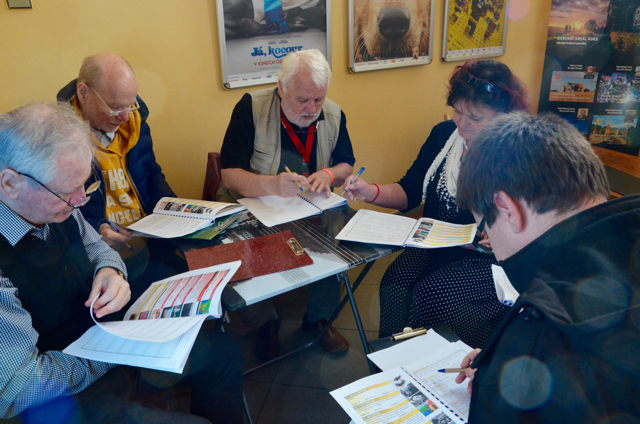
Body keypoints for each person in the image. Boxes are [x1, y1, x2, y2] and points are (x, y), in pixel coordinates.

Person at [0, 102, 243, 424]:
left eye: (86, 184)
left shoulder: (59, 206)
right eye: (67, 191)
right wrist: (110, 352)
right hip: (63, 396)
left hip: (106, 345)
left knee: (222, 355)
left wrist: (111, 271)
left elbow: (100, 250)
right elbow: (20, 387)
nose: (80, 201)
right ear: (10, 184)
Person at [454, 112, 639, 421]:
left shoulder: (536, 338)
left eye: (484, 227)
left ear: (507, 209)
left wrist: (501, 372)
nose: (491, 243)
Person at [343, 59, 529, 348]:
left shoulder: (520, 155)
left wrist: (495, 240)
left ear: (504, 116)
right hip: (436, 246)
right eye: (458, 111)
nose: (462, 123)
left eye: (475, 117)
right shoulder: (444, 135)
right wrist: (368, 192)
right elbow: (409, 191)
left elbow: (530, 229)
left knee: (431, 295)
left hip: (488, 260)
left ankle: (426, 368)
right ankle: (390, 365)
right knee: (394, 283)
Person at [219, 49, 356, 359]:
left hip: (308, 208)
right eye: (302, 99)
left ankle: (318, 320)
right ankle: (265, 322)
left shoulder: (334, 114)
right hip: (253, 206)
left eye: (318, 99)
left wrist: (328, 174)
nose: (312, 109)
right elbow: (228, 175)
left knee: (335, 242)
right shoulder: (251, 108)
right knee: (238, 252)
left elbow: (346, 164)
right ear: (282, 88)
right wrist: (271, 185)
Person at [56, 53, 187, 295]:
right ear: (83, 93)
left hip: (151, 246)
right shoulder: (58, 140)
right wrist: (96, 229)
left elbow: (151, 172)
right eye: (116, 107)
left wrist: (170, 206)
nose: (125, 116)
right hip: (101, 259)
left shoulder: (136, 122)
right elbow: (56, 211)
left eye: (130, 105)